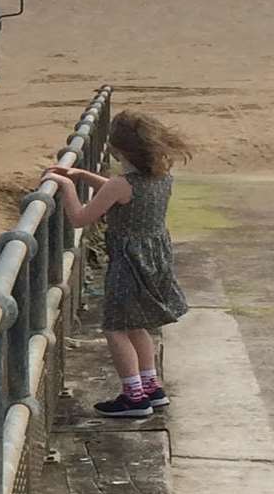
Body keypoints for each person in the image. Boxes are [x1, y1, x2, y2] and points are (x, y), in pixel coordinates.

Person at [42, 112, 192, 418]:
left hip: (128, 264)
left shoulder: (121, 184)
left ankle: (133, 397)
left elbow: (80, 218)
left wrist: (67, 187)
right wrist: (84, 176)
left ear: (118, 150)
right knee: (137, 324)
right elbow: (119, 193)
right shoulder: (161, 179)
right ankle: (152, 388)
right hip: (155, 260)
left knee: (115, 328)